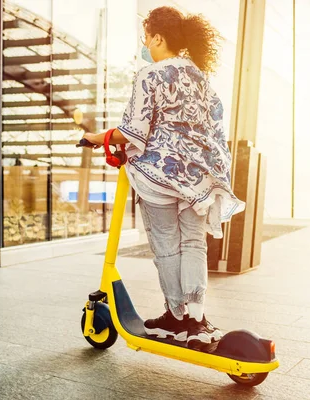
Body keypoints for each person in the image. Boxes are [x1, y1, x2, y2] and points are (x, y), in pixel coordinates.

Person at [83, 6, 245, 349]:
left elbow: (132, 132)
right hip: (198, 177)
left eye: (147, 38)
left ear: (158, 38)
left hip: (160, 176)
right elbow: (214, 126)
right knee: (194, 243)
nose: (146, 45)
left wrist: (98, 138)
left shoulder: (150, 75)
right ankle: (196, 318)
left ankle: (175, 316)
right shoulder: (201, 77)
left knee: (167, 247)